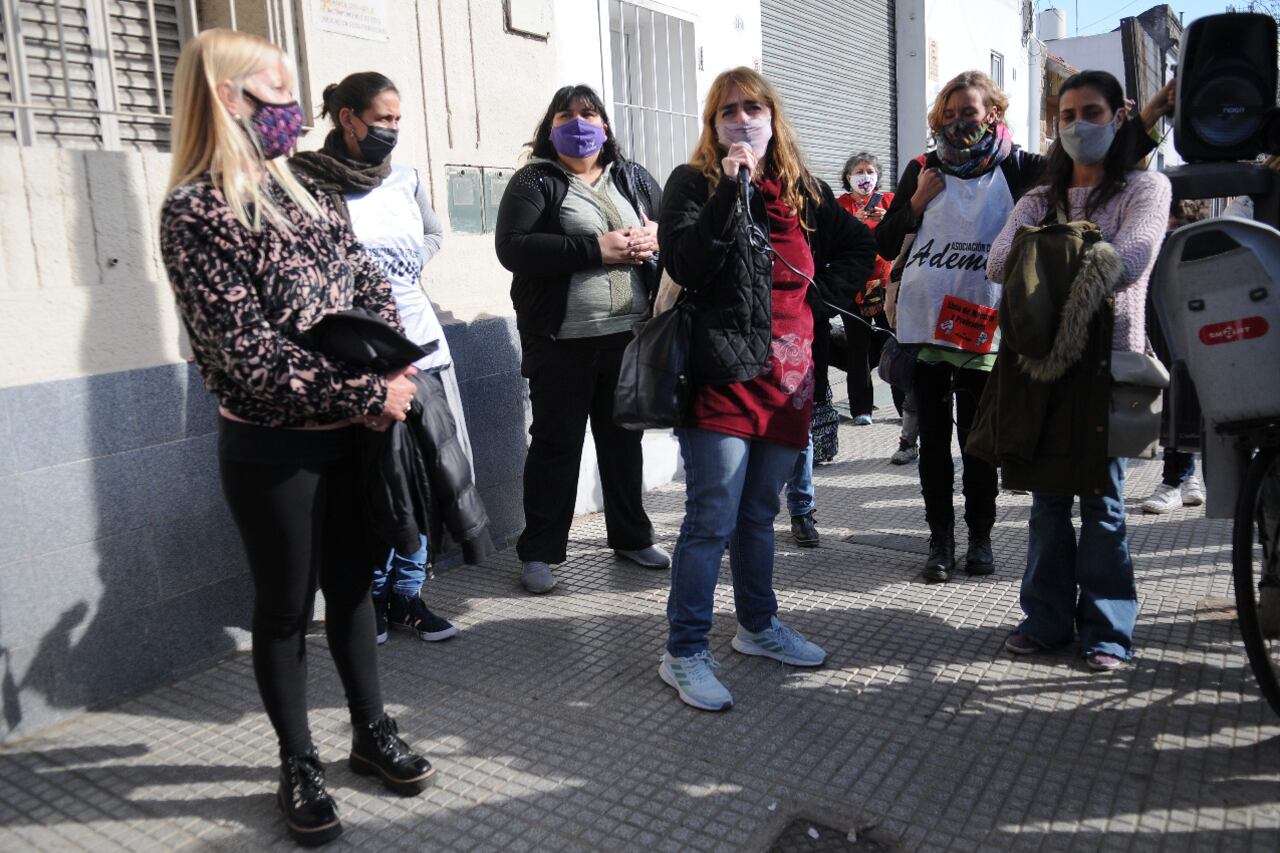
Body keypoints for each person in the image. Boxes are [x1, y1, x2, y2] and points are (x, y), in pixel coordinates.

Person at [160, 31, 433, 846]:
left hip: (354, 433)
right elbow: (247, 358)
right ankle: (298, 761)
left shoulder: (308, 186)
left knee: (353, 588)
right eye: (276, 96)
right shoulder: (196, 211)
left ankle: (370, 732)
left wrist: (391, 366)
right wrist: (370, 391)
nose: (293, 111)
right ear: (227, 99)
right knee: (284, 609)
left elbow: (368, 280)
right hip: (273, 446)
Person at [877, 70, 1170, 584]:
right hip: (927, 327)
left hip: (986, 326)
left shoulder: (1020, 167)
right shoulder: (923, 168)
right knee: (931, 444)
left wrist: (1142, 120)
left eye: (969, 112)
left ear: (992, 112)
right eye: (949, 113)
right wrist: (917, 202)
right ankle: (939, 541)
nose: (958, 122)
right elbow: (883, 241)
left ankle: (981, 538)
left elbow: (1088, 164)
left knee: (979, 442)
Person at [658, 67, 876, 711]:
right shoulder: (693, 182)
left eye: (753, 108)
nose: (742, 119)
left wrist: (822, 299)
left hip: (789, 376)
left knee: (758, 513)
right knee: (711, 517)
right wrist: (730, 188)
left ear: (773, 118)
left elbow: (859, 245)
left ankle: (756, 626)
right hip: (721, 374)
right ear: (712, 124)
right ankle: (684, 651)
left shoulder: (804, 190)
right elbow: (686, 261)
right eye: (728, 111)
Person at [292, 71, 489, 645]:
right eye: (383, 119)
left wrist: (402, 271)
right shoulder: (310, 184)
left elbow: (433, 234)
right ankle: (370, 597)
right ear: (348, 119)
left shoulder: (404, 179)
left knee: (427, 478)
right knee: (376, 484)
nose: (392, 129)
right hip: (358, 358)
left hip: (421, 347)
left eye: (398, 119)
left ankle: (408, 594)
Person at [986, 70, 1171, 671]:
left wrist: (1050, 254)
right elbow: (998, 261)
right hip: (1042, 369)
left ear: (1120, 117)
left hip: (1109, 367)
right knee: (1046, 503)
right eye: (1067, 116)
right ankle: (1045, 621)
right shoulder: (1040, 198)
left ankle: (1108, 631)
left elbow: (1133, 257)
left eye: (1091, 113)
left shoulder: (1146, 188)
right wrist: (1075, 252)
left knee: (1104, 502)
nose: (1077, 126)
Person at [495, 85, 670, 594]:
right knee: (556, 447)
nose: (578, 122)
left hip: (628, 338)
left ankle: (632, 537)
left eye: (588, 113)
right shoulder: (536, 179)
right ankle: (540, 552)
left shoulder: (633, 177)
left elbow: (671, 231)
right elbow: (514, 248)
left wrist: (657, 237)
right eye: (566, 115)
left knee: (623, 444)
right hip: (560, 341)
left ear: (605, 126)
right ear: (550, 127)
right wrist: (596, 249)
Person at [1141, 198, 1210, 514]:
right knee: (1181, 404)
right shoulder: (1196, 243)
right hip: (1173, 336)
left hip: (1180, 338)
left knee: (1179, 405)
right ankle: (1186, 478)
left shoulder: (1174, 245)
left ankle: (1175, 480)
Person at [835, 152, 895, 426]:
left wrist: (888, 220)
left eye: (870, 171)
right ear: (848, 177)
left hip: (885, 286)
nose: (865, 176)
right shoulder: (840, 206)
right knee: (857, 348)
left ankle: (903, 407)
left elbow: (906, 234)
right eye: (859, 171)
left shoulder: (889, 201)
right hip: (853, 287)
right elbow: (832, 241)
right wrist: (853, 222)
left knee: (892, 344)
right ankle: (861, 409)